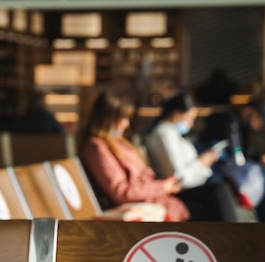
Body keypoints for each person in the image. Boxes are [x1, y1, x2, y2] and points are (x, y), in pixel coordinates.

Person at [79, 90, 190, 222]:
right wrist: (163, 187)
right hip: (143, 206)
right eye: (122, 118)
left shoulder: (118, 143)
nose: (127, 124)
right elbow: (121, 192)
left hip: (155, 201)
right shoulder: (96, 147)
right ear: (108, 118)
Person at [198, 95, 265, 222]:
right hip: (219, 171)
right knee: (264, 177)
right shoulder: (230, 121)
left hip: (230, 170)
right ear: (248, 111)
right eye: (260, 119)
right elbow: (237, 157)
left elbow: (246, 154)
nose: (260, 124)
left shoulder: (242, 127)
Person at [144, 93, 239, 221]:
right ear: (177, 114)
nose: (191, 124)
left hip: (190, 184)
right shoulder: (163, 134)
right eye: (189, 118)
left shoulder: (173, 134)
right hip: (177, 189)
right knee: (219, 190)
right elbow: (178, 176)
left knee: (222, 186)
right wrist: (201, 163)